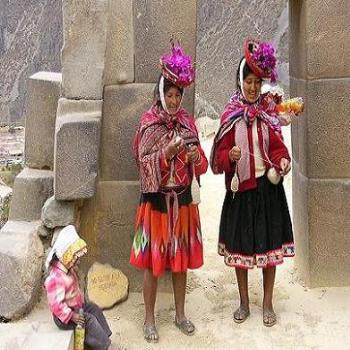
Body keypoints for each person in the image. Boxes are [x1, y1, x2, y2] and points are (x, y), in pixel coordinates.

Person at [210, 39, 295, 327]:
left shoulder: (268, 112)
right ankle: (244, 303)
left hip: (268, 190)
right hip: (241, 192)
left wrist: (283, 161)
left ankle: (267, 303)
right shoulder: (230, 116)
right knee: (242, 250)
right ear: (240, 81)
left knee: (270, 250)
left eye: (257, 83)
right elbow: (217, 159)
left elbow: (277, 148)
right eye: (248, 82)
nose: (253, 88)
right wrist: (229, 156)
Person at [130, 41, 208, 342]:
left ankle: (179, 314)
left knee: (180, 262)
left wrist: (192, 157)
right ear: (161, 94)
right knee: (152, 264)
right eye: (170, 94)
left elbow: (201, 168)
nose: (174, 100)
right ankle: (149, 319)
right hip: (157, 204)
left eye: (178, 95)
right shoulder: (149, 125)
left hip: (184, 201)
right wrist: (165, 153)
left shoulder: (188, 124)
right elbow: (142, 165)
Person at [45, 225, 123, 350]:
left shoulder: (68, 270)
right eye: (74, 258)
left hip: (77, 307)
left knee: (94, 308)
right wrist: (72, 316)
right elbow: (56, 306)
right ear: (65, 256)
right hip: (65, 316)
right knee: (89, 320)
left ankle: (105, 337)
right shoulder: (55, 278)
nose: (76, 261)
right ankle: (106, 346)